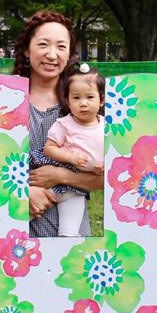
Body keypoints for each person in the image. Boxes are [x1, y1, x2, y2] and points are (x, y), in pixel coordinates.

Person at [14, 11, 103, 313]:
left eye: (61, 46)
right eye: (43, 44)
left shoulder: (84, 104)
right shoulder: (4, 100)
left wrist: (55, 177)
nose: (51, 54)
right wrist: (24, 191)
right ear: (27, 47)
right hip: (14, 239)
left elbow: (108, 174)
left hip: (68, 237)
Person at [43, 63, 105, 238]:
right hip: (53, 182)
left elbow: (109, 153)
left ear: (101, 100)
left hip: (76, 189)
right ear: (68, 101)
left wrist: (101, 166)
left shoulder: (107, 126)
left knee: (69, 231)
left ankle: (67, 242)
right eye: (76, 98)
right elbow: (49, 148)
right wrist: (69, 157)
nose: (83, 103)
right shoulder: (65, 124)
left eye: (90, 97)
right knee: (26, 210)